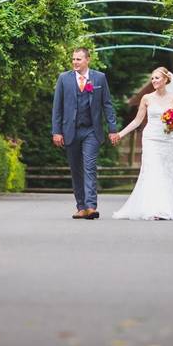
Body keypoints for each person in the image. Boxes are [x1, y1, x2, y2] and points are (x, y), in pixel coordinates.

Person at [112, 67, 173, 220]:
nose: (154, 81)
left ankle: (171, 205)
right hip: (150, 138)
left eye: (157, 78)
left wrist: (172, 125)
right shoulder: (147, 98)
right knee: (153, 169)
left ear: (165, 80)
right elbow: (137, 121)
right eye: (152, 78)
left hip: (167, 139)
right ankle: (155, 208)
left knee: (168, 171)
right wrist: (120, 134)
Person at [52, 47, 119, 219]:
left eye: (78, 59)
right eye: (73, 59)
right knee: (76, 169)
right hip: (70, 131)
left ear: (87, 60)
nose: (75, 62)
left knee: (89, 166)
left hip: (92, 130)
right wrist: (56, 131)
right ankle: (81, 206)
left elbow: (107, 105)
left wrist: (112, 129)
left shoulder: (99, 78)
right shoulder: (63, 79)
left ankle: (91, 206)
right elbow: (57, 108)